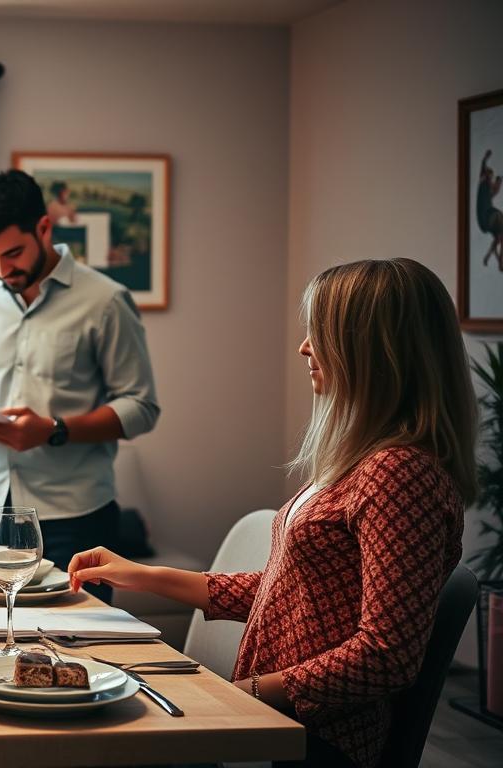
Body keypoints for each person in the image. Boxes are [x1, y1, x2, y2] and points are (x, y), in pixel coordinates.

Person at [67, 258, 477, 768]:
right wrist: (144, 576)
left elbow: (386, 653)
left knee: (93, 740)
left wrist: (247, 695)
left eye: (321, 333)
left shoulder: (399, 474)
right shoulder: (363, 461)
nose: (305, 347)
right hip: (274, 722)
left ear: (375, 351)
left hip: (314, 741)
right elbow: (293, 594)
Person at [0, 169, 160, 602]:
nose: (2, 270)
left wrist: (55, 429)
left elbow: (142, 406)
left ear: (44, 228)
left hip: (77, 518)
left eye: (13, 253)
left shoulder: (107, 301)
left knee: (77, 654)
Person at [478, 149, 503, 270]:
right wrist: (485, 158)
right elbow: (483, 167)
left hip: (488, 216)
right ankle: (499, 259)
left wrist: (499, 182)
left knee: (500, 236)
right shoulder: (484, 184)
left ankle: (492, 257)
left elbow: (496, 190)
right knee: (500, 218)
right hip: (486, 216)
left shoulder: (488, 190)